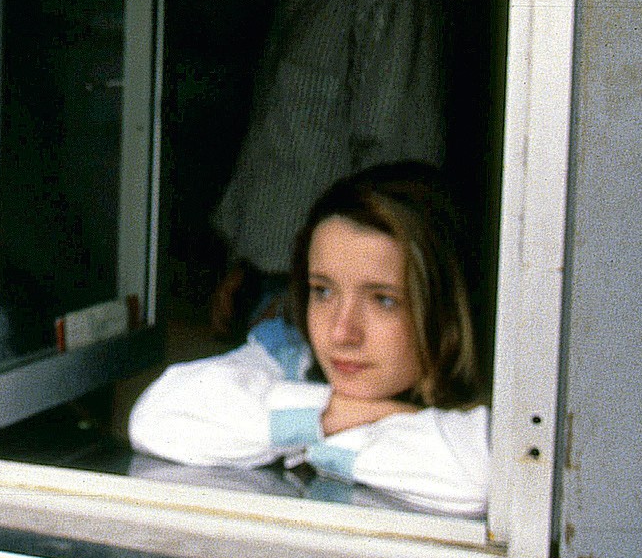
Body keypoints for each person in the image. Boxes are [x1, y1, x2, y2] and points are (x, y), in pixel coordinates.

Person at [130, 163, 489, 516]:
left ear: (448, 313)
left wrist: (306, 433)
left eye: (384, 300)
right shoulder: (291, 353)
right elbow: (156, 416)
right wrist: (347, 414)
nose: (341, 333)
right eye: (323, 291)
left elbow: (478, 480)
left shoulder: (506, 403)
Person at [210, 0, 445, 335]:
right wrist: (245, 261)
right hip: (276, 289)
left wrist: (326, 295)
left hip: (327, 302)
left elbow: (396, 175)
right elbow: (283, 142)